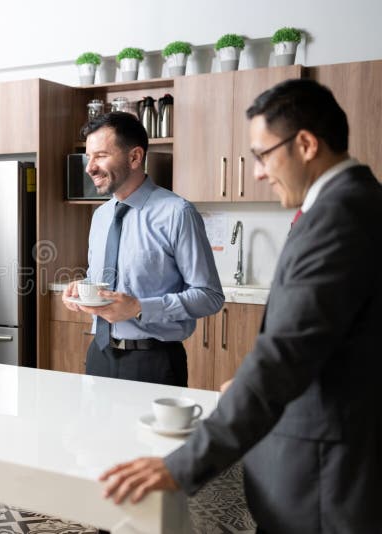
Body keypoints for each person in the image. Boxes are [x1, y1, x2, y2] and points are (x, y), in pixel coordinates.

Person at [98, 79, 382, 533]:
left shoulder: (339, 218)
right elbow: (314, 340)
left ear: (305, 144)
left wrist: (181, 466)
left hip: (325, 477)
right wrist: (247, 381)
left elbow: (284, 356)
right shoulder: (350, 204)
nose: (257, 172)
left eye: (263, 155)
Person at [63, 112, 223, 386]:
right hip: (99, 354)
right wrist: (82, 289)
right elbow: (102, 281)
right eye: (88, 157)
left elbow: (209, 296)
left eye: (100, 155)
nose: (90, 168)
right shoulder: (100, 216)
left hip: (154, 363)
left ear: (135, 157)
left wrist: (139, 308)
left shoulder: (177, 213)